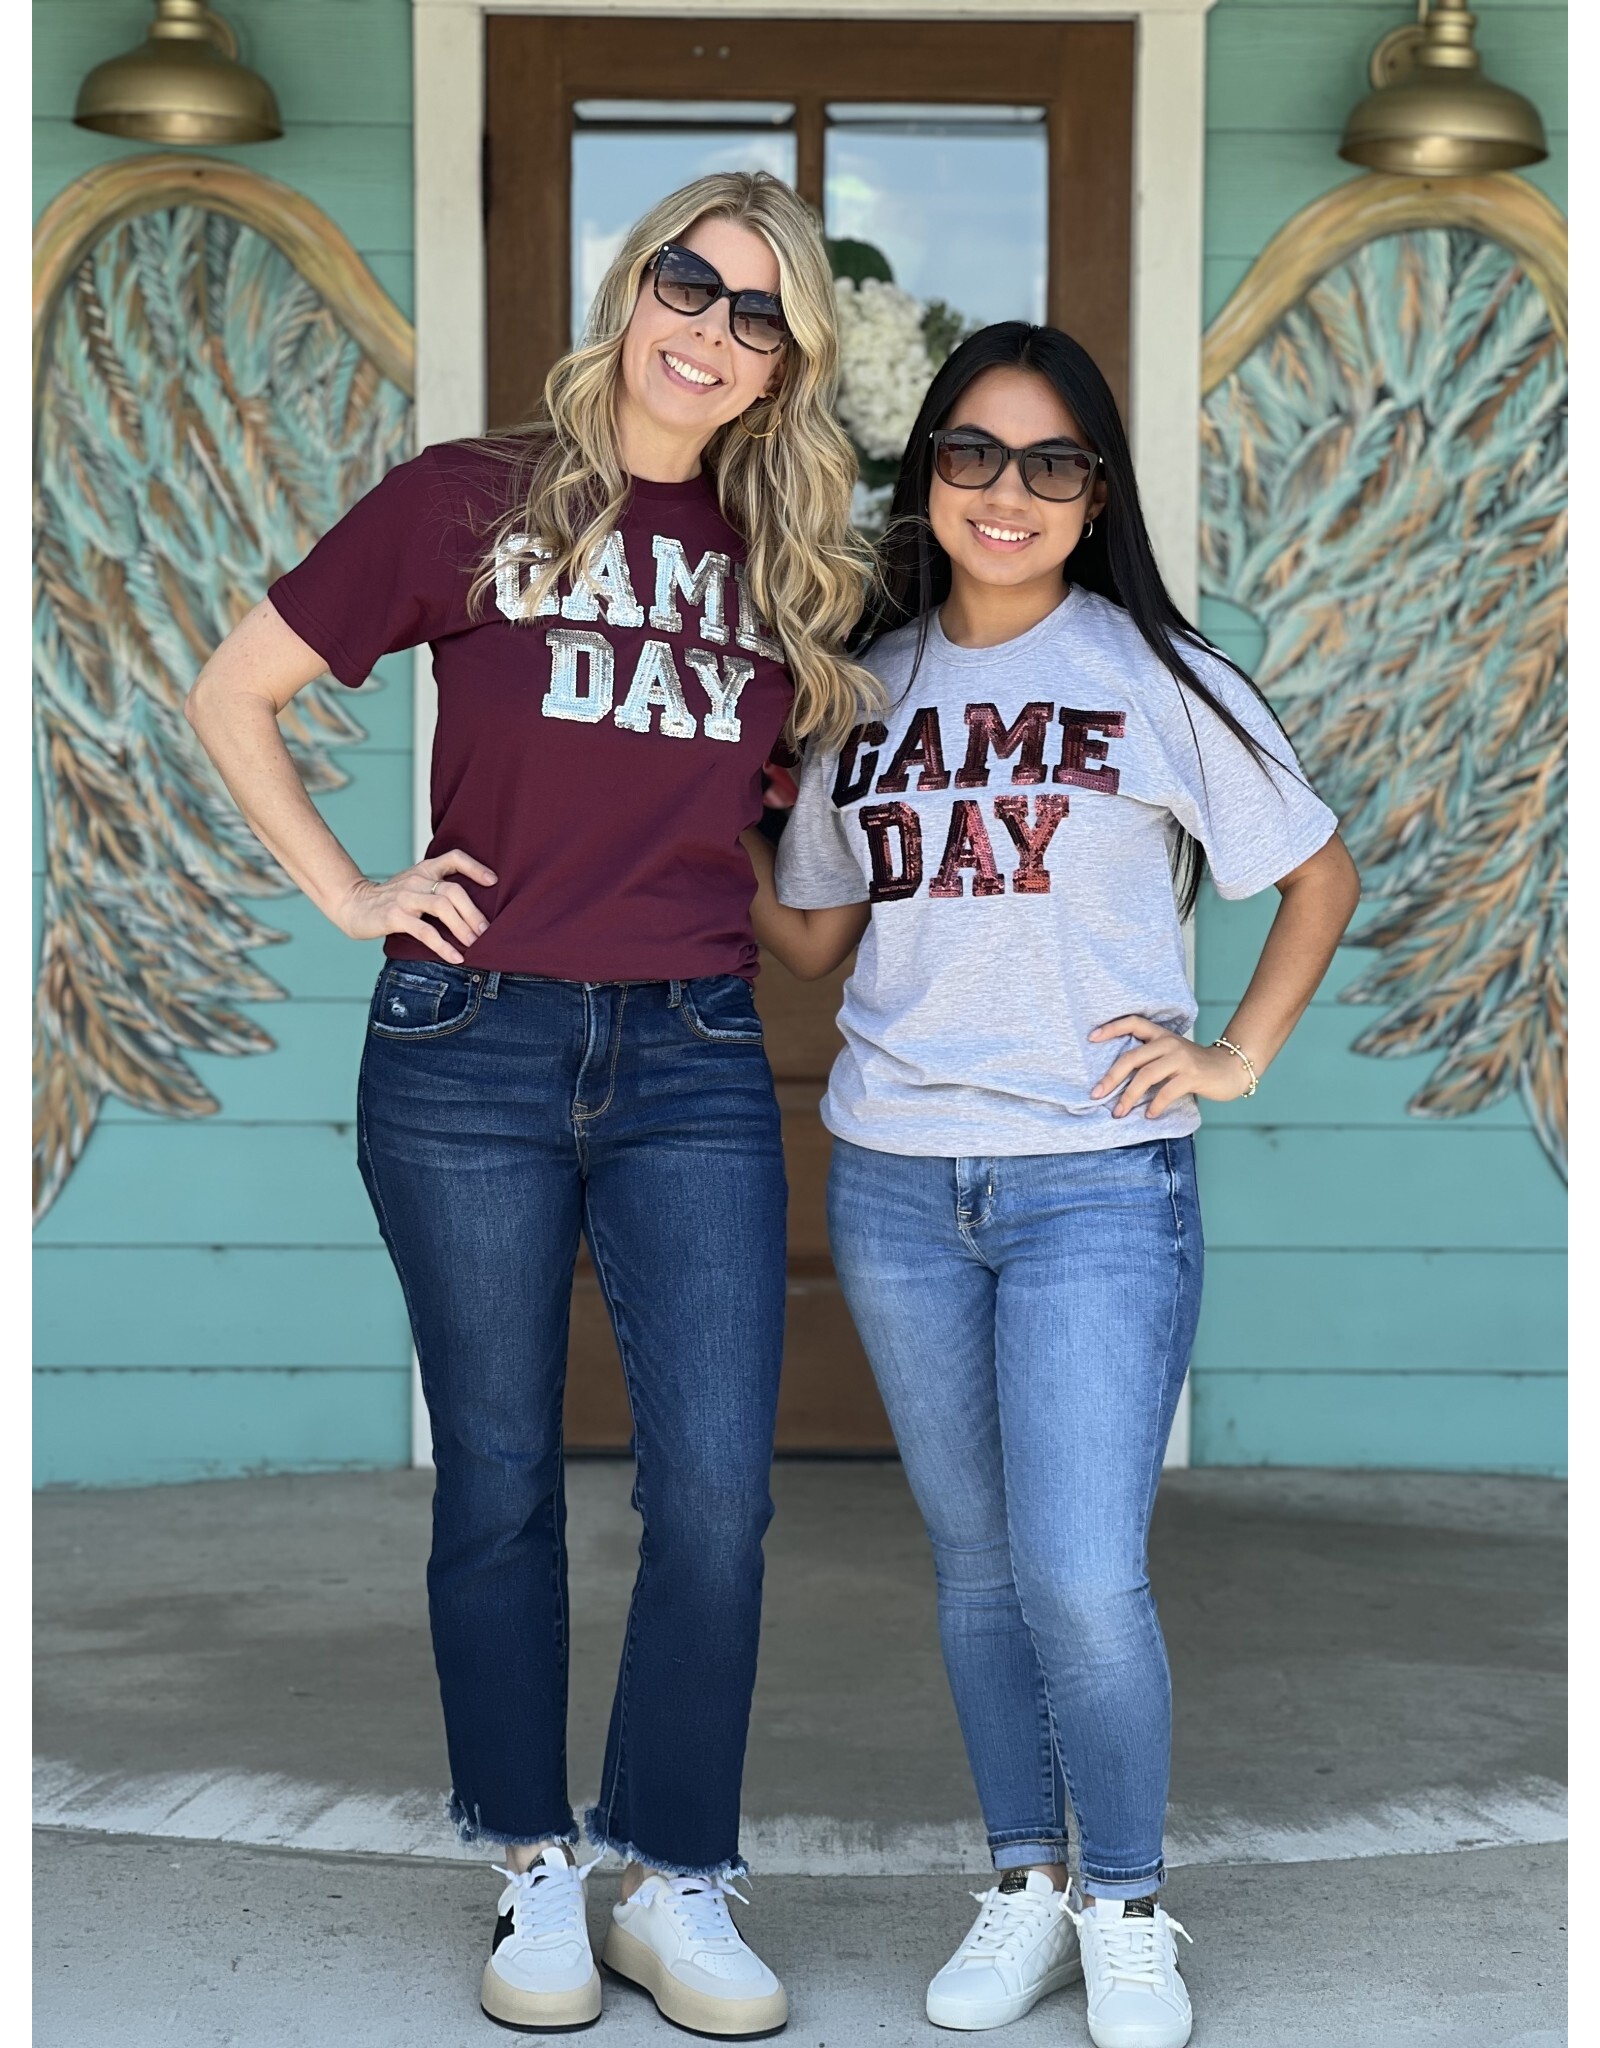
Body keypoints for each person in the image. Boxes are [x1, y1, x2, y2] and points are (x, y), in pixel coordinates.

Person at [185, 170, 875, 2040]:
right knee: (496, 1480)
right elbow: (234, 689)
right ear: (630, 284)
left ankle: (679, 1876)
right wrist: (352, 893)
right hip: (466, 1046)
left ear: (785, 366)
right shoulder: (464, 498)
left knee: (718, 1493)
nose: (709, 332)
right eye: (688, 283)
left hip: (692, 1060)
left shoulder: (797, 565)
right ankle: (534, 1871)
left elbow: (807, 860)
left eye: (757, 317)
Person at [743, 322, 1361, 2048]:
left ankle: (1129, 1905)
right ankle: (1022, 1882)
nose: (1006, 494)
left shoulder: (1156, 676)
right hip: (895, 1178)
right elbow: (808, 937)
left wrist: (1230, 1054)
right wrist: (706, 795)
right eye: (972, 456)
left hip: (1095, 1183)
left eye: (1052, 465)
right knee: (976, 1564)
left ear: (1095, 499)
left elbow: (1317, 877)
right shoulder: (865, 683)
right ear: (924, 476)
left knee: (1084, 1573)